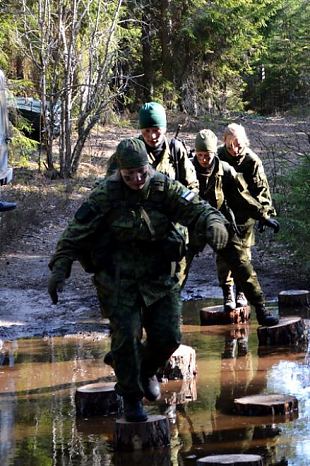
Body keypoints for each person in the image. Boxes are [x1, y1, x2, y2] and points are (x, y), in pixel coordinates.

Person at [48, 137, 229, 422]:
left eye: (142, 172)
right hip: (119, 281)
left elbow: (196, 209)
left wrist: (214, 222)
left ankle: (145, 369)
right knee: (126, 339)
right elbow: (74, 233)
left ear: (149, 166)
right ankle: (131, 397)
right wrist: (60, 268)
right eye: (129, 174)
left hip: (159, 278)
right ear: (119, 171)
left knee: (169, 336)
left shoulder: (163, 187)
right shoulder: (105, 194)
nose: (136, 179)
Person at [191, 129, 279, 326]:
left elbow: (244, 197)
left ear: (215, 153)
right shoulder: (186, 169)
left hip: (220, 223)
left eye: (208, 155)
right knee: (176, 268)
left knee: (242, 263)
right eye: (200, 155)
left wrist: (264, 216)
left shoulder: (226, 169)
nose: (204, 159)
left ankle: (262, 310)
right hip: (193, 224)